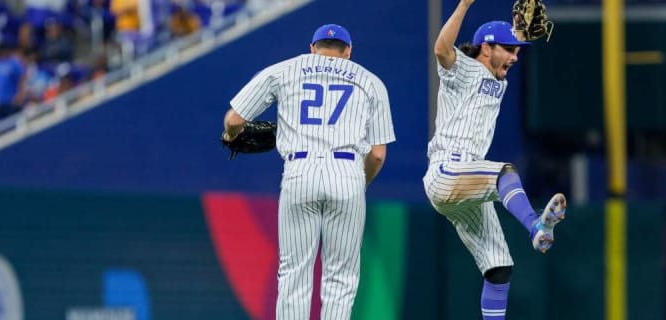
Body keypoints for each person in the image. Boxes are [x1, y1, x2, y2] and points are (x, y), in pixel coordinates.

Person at [221, 24, 395, 320]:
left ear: (312, 48)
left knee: (294, 272)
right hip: (348, 172)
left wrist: (231, 135)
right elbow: (377, 154)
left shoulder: (285, 69)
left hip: (299, 170)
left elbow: (234, 118)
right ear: (348, 52)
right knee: (340, 277)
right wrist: (357, 185)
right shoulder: (371, 82)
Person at [422, 1, 567, 319]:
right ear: (486, 49)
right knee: (505, 172)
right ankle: (535, 225)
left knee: (499, 267)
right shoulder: (461, 68)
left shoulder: (498, 77)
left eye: (518, 51)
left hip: (467, 186)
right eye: (510, 50)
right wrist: (464, 4)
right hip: (448, 170)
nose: (516, 57)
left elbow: (500, 43)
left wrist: (513, 34)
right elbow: (441, 47)